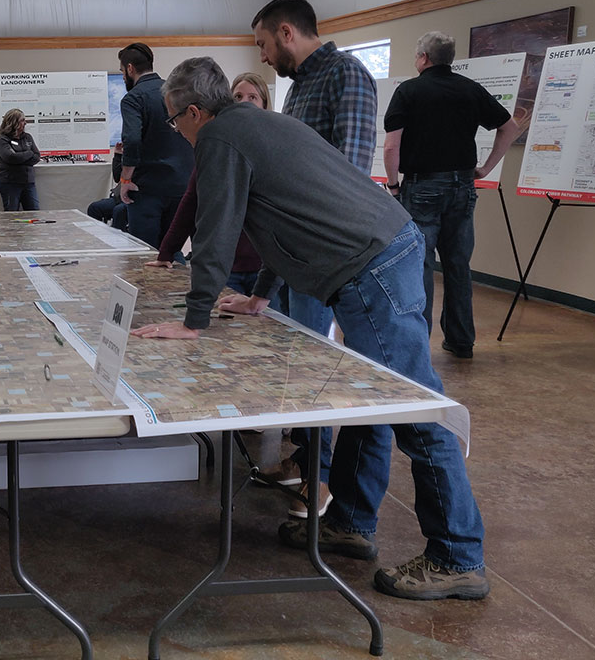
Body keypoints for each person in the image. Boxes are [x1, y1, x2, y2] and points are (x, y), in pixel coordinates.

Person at [131, 56, 488, 602]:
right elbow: (283, 221)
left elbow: (216, 229)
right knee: (371, 404)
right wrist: (260, 295)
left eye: (175, 120)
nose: (176, 130)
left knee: (415, 413)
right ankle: (350, 523)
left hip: (371, 266)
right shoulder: (258, 125)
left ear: (195, 112)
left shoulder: (221, 138)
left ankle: (457, 557)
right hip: (381, 254)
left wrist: (192, 321)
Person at [250, 0, 380, 506]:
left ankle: (321, 479)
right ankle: (305, 460)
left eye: (263, 44)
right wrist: (265, 286)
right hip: (296, 258)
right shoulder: (298, 87)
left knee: (315, 370)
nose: (263, 56)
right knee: (295, 367)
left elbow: (349, 178)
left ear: (287, 33)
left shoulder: (347, 75)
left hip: (329, 258)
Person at [384, 31, 520, 359]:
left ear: (423, 58)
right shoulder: (470, 89)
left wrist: (393, 185)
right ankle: (461, 342)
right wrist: (485, 168)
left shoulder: (409, 91)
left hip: (422, 187)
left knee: (420, 265)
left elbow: (391, 146)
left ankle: (418, 344)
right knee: (458, 264)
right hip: (462, 187)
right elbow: (510, 127)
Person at [147, 72, 273, 295]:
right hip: (229, 264)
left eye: (252, 97)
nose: (244, 103)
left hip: (266, 265)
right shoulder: (218, 147)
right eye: (238, 97)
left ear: (264, 104)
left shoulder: (272, 146)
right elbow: (190, 201)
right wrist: (166, 252)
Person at [116, 42, 194, 248]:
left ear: (130, 69)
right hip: (182, 185)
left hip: (148, 189)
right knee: (171, 250)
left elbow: (132, 139)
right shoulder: (177, 93)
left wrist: (125, 179)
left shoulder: (133, 99)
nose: (123, 77)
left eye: (122, 71)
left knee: (145, 253)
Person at [0, 109, 41, 211]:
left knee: (34, 212)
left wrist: (19, 158)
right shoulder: (3, 139)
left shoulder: (28, 137)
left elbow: (37, 156)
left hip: (28, 182)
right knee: (12, 214)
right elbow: (10, 157)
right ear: (14, 122)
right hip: (10, 182)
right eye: (22, 120)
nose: (25, 123)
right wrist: (29, 153)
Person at [86, 143, 127, 230]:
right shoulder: (132, 154)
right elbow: (117, 177)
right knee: (94, 208)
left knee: (119, 211)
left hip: (138, 198)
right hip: (120, 197)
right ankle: (98, 235)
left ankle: (116, 237)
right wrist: (118, 155)